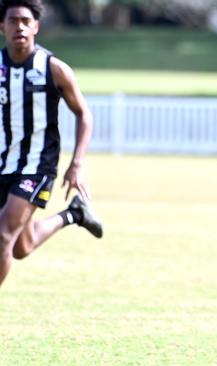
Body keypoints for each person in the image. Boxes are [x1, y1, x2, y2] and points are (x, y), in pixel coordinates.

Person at [0, 0, 103, 288]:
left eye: (25, 20)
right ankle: (74, 214)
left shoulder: (53, 68)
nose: (19, 26)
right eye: (12, 20)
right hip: (3, 162)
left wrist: (77, 164)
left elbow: (84, 115)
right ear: (1, 26)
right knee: (21, 246)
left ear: (36, 26)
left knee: (3, 234)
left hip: (37, 165)